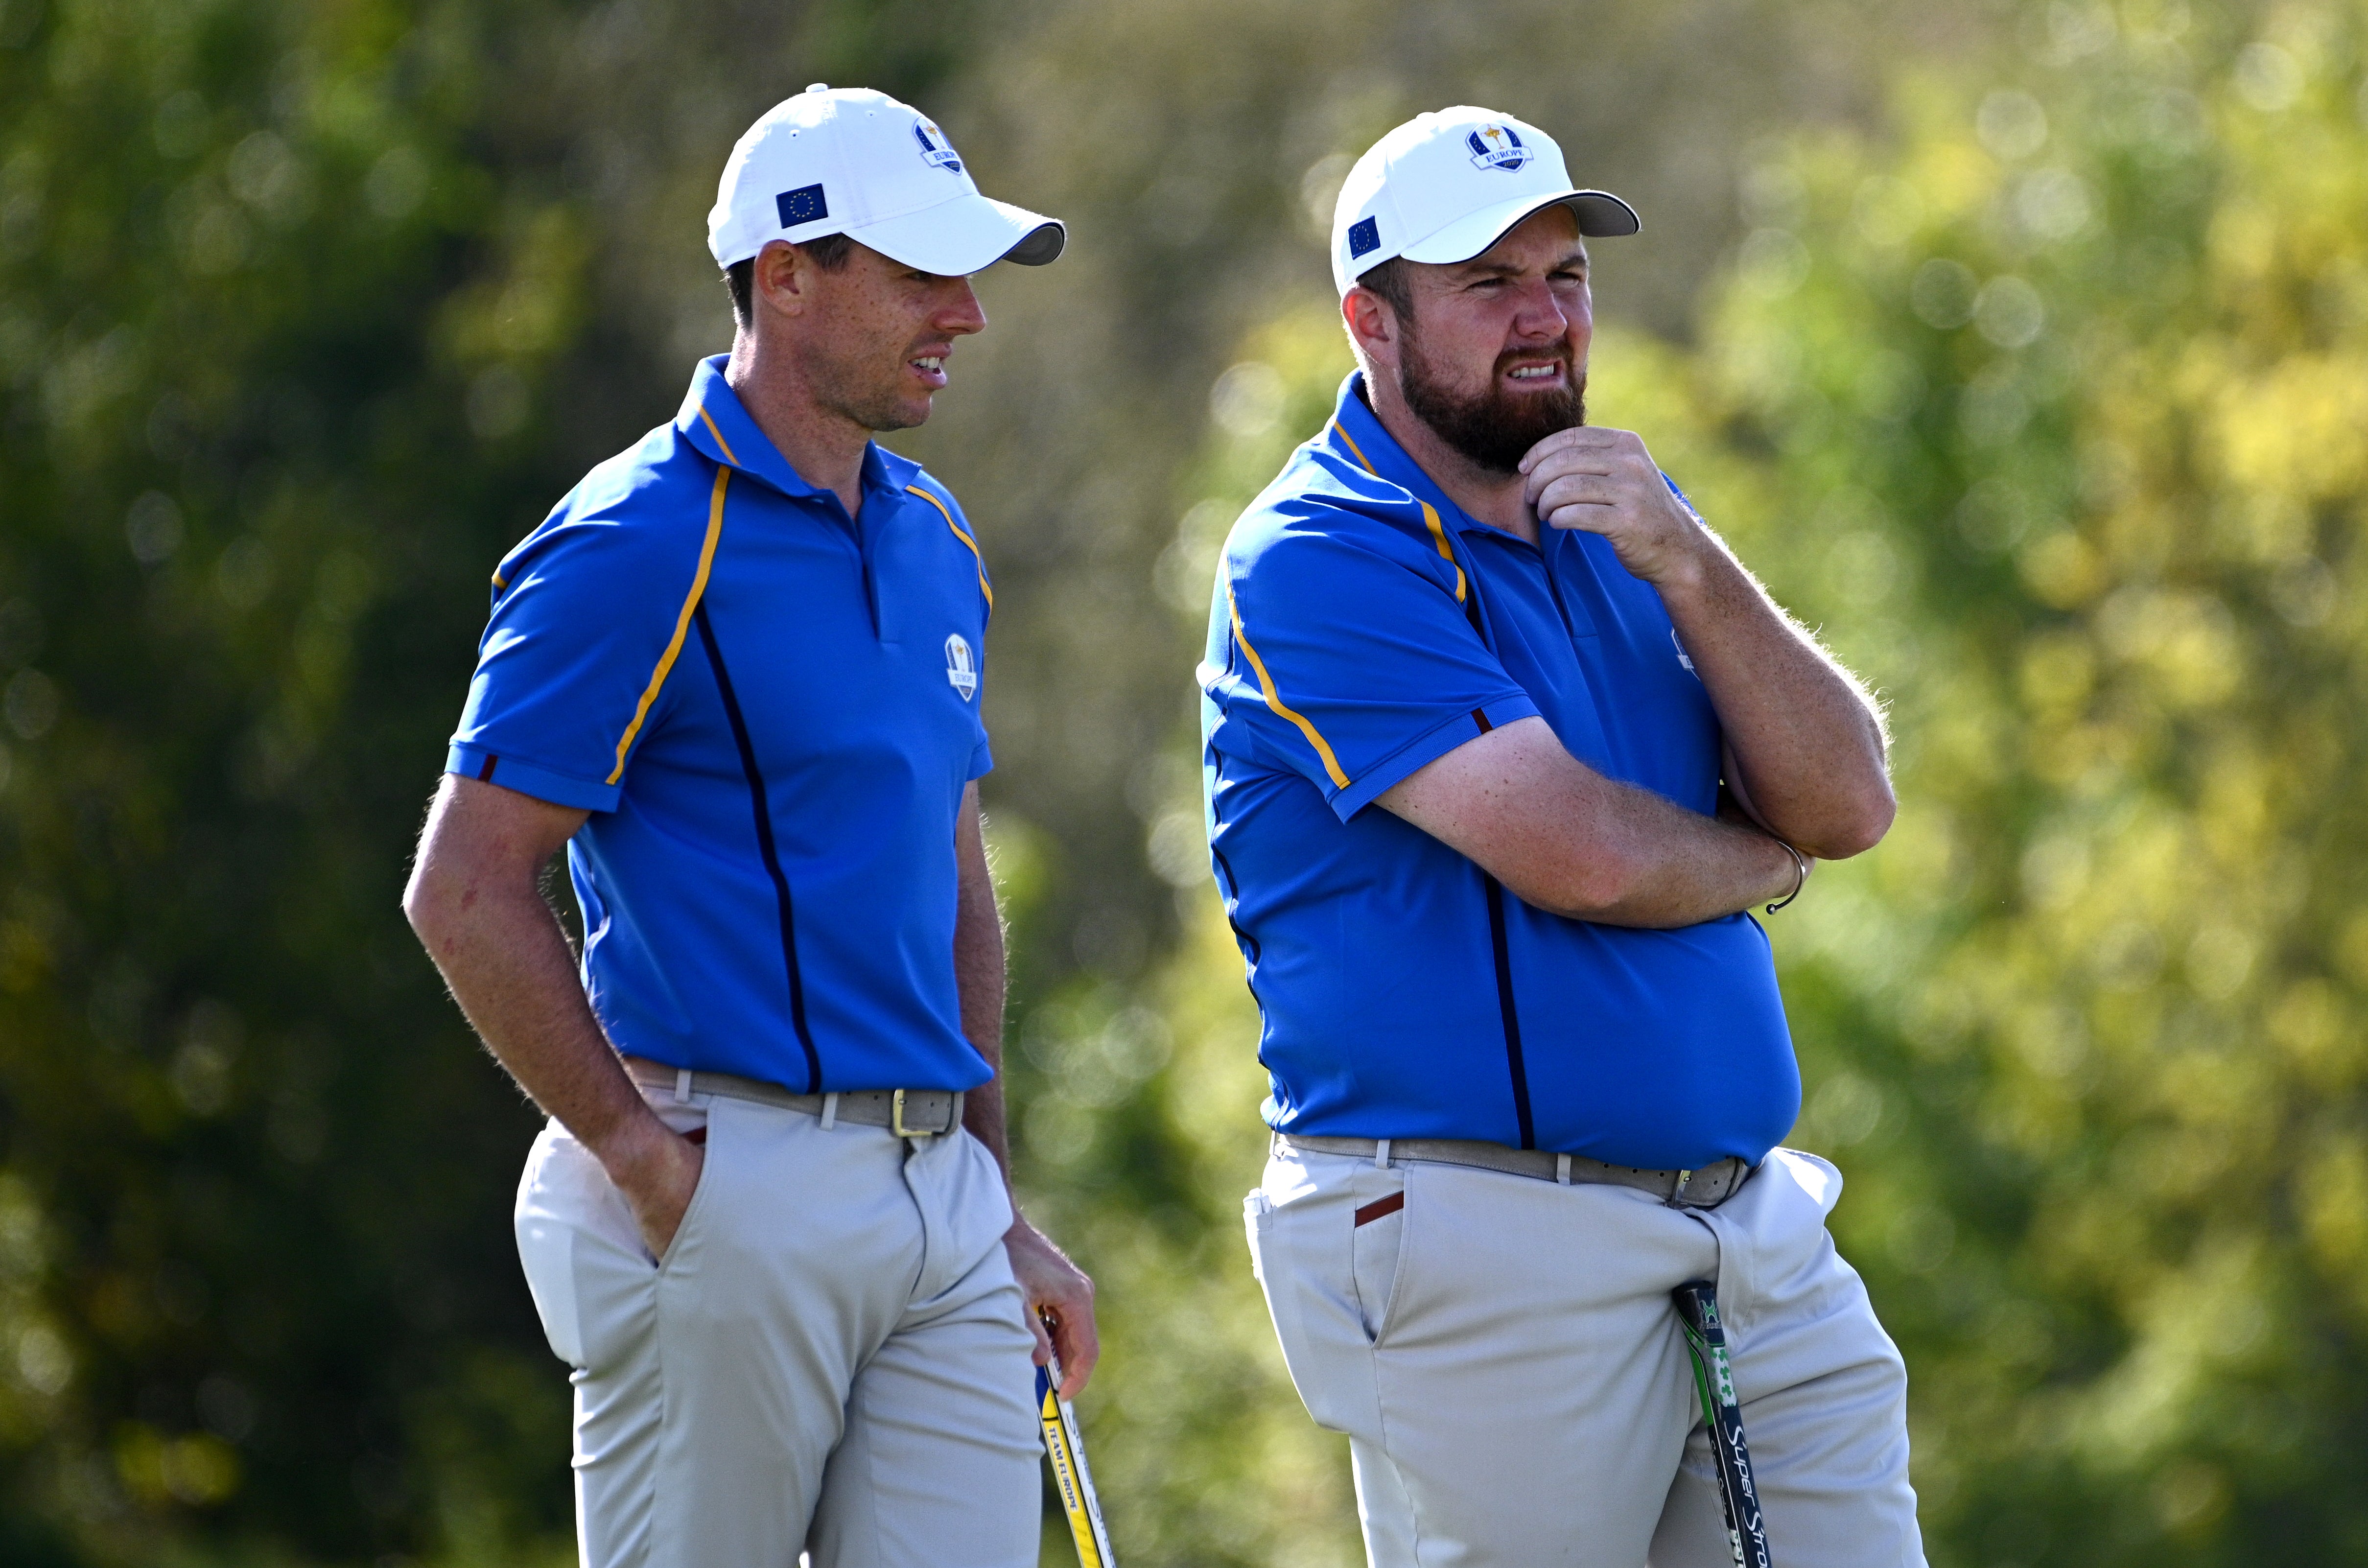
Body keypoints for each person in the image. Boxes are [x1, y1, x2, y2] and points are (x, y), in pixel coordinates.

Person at [1202, 106, 1921, 1566]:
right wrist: (1759, 863)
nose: (1545, 320)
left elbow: (1848, 799)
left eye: (1566, 278)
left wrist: (1694, 562)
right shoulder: (1318, 550)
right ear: (1372, 322)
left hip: (1746, 1230)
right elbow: (1582, 853)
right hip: (1480, 1237)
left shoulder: (1622, 513)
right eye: (1488, 285)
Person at [402, 85, 1094, 1568]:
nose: (965, 315)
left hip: (941, 1206)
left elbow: (949, 876)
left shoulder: (936, 537)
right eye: (920, 274)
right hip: (722, 1185)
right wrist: (646, 1161)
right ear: (788, 276)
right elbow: (464, 887)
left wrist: (996, 1196)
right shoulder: (630, 538)